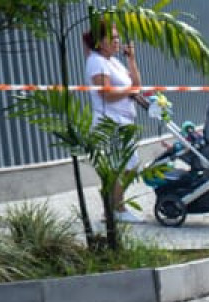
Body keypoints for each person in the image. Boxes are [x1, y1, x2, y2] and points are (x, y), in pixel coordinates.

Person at [83, 18, 151, 221]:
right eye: (111, 38)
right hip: (110, 120)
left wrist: (131, 59)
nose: (117, 41)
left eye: (117, 37)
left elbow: (136, 84)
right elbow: (106, 94)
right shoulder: (96, 61)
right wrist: (129, 91)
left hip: (124, 119)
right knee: (123, 166)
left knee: (127, 165)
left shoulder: (113, 62)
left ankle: (113, 208)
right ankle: (117, 209)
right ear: (99, 42)